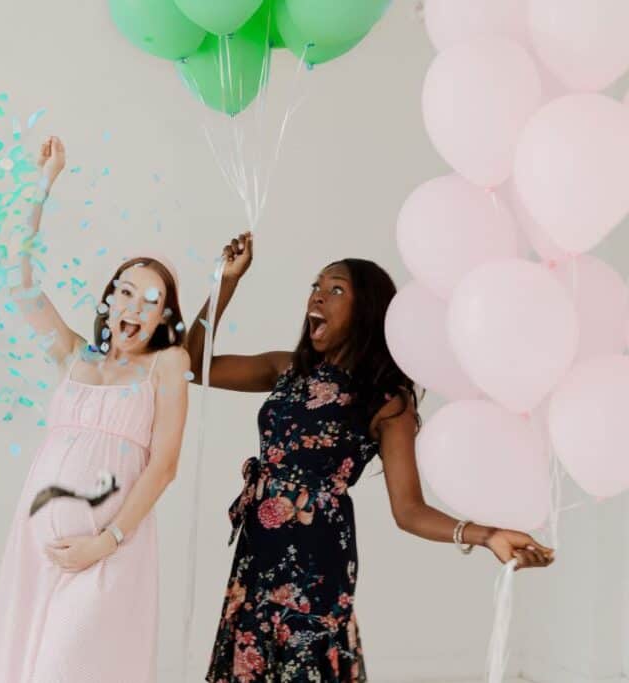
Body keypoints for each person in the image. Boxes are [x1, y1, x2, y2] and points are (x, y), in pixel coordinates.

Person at [192, 233, 554, 683]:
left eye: (336, 289)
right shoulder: (285, 369)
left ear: (365, 312)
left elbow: (409, 511)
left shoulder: (386, 402)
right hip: (257, 553)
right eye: (316, 286)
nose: (318, 295)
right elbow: (191, 362)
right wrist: (225, 281)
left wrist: (486, 534)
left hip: (315, 564)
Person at [0, 137, 191, 682]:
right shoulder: (74, 356)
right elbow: (16, 281)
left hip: (110, 549)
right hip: (37, 547)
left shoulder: (166, 365)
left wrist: (105, 541)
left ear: (165, 318)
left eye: (150, 301)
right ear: (108, 299)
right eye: (125, 292)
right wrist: (42, 186)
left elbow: (164, 466)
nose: (133, 307)